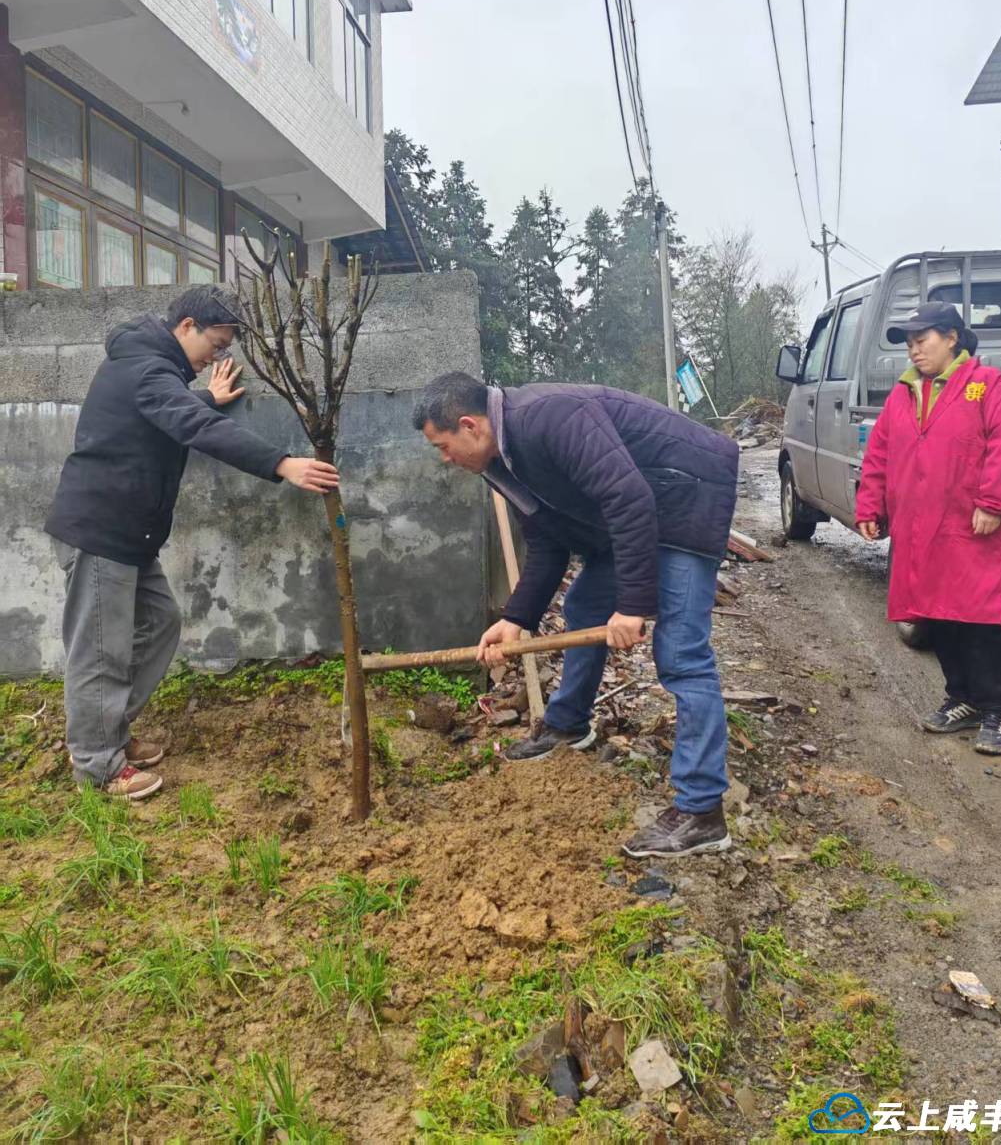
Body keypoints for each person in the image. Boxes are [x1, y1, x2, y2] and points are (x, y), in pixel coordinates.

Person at [413, 371, 739, 859]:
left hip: (685, 495)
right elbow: (547, 541)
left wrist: (632, 606)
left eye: (442, 446)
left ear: (469, 426)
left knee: (681, 653)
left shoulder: (550, 417)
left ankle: (702, 811)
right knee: (585, 604)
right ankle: (568, 722)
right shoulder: (503, 461)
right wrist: (515, 619)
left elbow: (628, 498)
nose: (444, 459)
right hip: (638, 509)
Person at [45, 287, 341, 800]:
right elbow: (190, 423)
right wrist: (281, 463)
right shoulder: (146, 368)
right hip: (100, 531)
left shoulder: (154, 369)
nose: (216, 357)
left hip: (128, 535)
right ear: (186, 326)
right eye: (217, 344)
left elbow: (167, 411)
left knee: (160, 623)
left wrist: (205, 396)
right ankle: (96, 763)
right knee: (100, 650)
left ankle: (104, 731)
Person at [855, 301, 1001, 755]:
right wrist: (870, 506)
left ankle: (995, 710)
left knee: (980, 619)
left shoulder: (987, 386)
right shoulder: (902, 395)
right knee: (938, 613)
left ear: (952, 338)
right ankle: (961, 698)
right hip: (921, 528)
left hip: (972, 527)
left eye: (922, 340)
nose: (914, 350)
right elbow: (879, 455)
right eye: (909, 343)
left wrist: (994, 503)